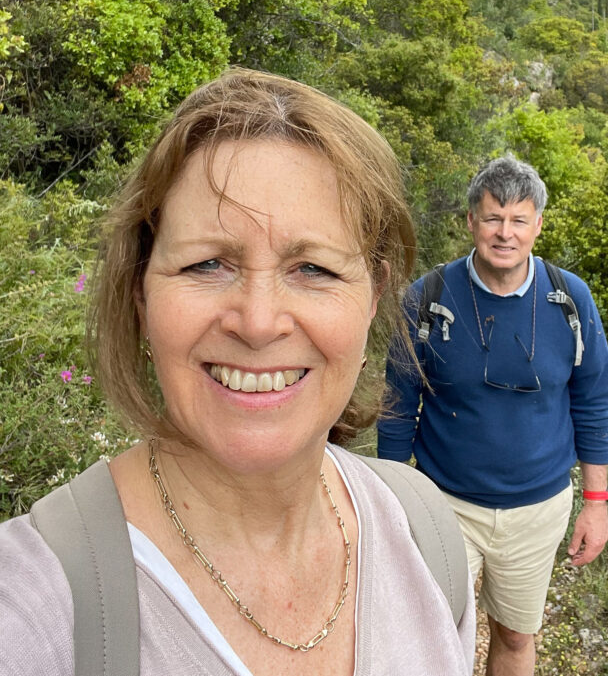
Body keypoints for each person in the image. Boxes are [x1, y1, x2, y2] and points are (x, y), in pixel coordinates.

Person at [0, 69, 475, 676]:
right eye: (207, 264)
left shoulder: (423, 536)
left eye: (313, 269)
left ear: (374, 295)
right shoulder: (32, 613)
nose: (257, 322)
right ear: (142, 293)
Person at [378, 155, 608, 676]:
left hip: (538, 509)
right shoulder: (427, 299)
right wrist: (394, 504)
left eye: (518, 220)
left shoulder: (571, 299)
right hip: (444, 507)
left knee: (514, 635)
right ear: (470, 222)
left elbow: (593, 400)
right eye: (492, 218)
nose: (505, 233)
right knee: (433, 631)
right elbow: (397, 407)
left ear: (538, 225)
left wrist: (596, 503)